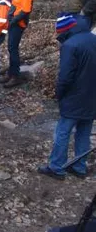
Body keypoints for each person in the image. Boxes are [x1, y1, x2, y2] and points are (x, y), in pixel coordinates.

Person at [37, 14, 96, 179]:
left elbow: (65, 77)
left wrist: (59, 94)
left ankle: (56, 167)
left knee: (63, 131)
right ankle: (79, 167)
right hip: (92, 96)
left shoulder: (70, 45)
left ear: (64, 31)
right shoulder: (93, 38)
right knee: (84, 132)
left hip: (74, 96)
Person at [2, 0, 34, 88]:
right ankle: (11, 73)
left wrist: (13, 21)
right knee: (11, 48)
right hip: (14, 21)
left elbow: (25, 10)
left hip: (18, 23)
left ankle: (15, 76)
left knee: (13, 49)